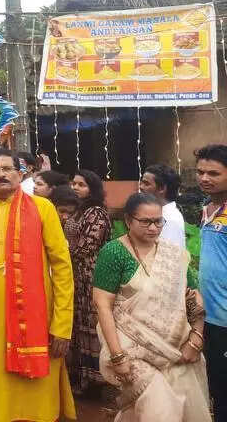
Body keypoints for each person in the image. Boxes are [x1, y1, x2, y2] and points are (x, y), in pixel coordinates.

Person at [0, 148, 75, 422]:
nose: (1, 174)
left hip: (38, 319)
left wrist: (62, 324)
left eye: (7, 169)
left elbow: (62, 267)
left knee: (39, 400)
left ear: (21, 174)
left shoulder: (43, 208)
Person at [93, 192, 210, 421]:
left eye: (158, 221)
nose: (154, 228)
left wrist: (196, 339)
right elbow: (102, 304)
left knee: (183, 408)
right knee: (160, 409)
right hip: (130, 347)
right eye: (145, 222)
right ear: (128, 221)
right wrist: (118, 357)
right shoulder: (114, 252)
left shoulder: (172, 255)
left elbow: (193, 297)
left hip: (175, 348)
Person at [67, 168, 110, 395]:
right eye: (73, 183)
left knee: (91, 326)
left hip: (90, 276)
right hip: (76, 275)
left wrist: (61, 252)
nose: (75, 187)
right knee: (78, 325)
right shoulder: (80, 211)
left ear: (92, 188)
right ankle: (80, 376)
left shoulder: (97, 213)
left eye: (81, 184)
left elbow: (87, 246)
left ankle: (94, 381)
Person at [194, 144, 227, 422]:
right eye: (200, 172)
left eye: (213, 173)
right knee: (216, 383)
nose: (204, 178)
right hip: (211, 317)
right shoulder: (208, 208)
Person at [139, 164, 186, 248]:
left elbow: (169, 257)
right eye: (141, 183)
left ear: (162, 189)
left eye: (146, 184)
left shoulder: (170, 219)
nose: (141, 187)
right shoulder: (157, 214)